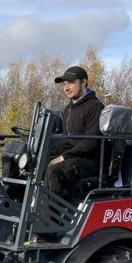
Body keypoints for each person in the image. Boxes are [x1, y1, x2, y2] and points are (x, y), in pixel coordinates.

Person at [46, 66, 105, 196]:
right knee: (32, 162)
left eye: (71, 83)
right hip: (72, 155)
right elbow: (66, 140)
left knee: (54, 171)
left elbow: (91, 142)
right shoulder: (68, 109)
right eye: (64, 84)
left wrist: (63, 157)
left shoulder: (95, 106)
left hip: (89, 160)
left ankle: (54, 209)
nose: (66, 88)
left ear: (83, 82)